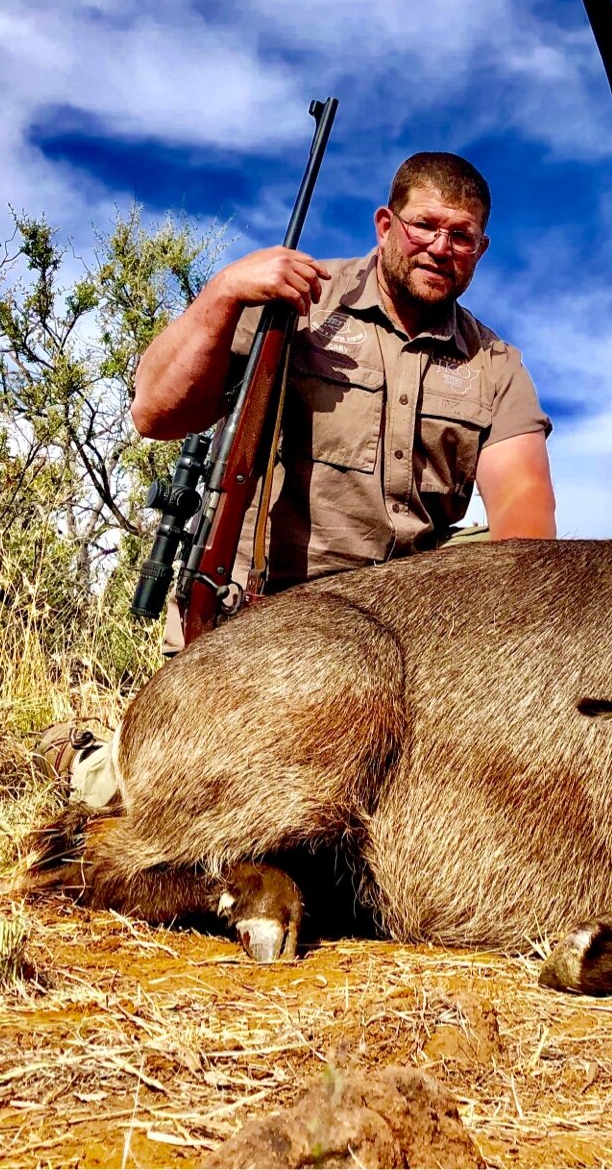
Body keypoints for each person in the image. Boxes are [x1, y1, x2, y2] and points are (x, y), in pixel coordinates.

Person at [42, 152, 555, 798]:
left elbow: (526, 525)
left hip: (399, 640)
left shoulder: (497, 364)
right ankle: (89, 759)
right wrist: (224, 289)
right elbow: (156, 412)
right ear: (385, 223)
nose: (440, 247)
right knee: (182, 796)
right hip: (267, 621)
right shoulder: (295, 301)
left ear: (480, 248)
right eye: (425, 225)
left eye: (461, 236)